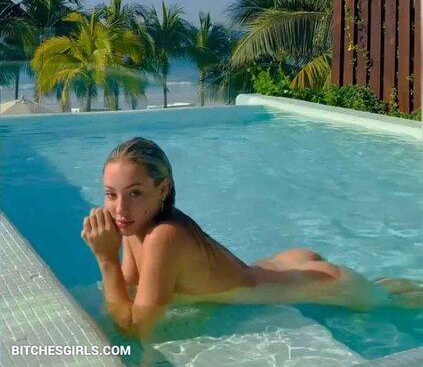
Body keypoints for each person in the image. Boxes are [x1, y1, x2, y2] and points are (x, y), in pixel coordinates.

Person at [81, 137, 423, 339]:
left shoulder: (164, 236)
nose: (120, 208)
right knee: (390, 289)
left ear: (163, 189)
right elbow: (128, 288)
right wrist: (113, 254)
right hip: (281, 268)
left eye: (135, 193)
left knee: (397, 302)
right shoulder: (138, 225)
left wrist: (106, 258)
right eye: (111, 194)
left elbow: (137, 328)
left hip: (320, 285)